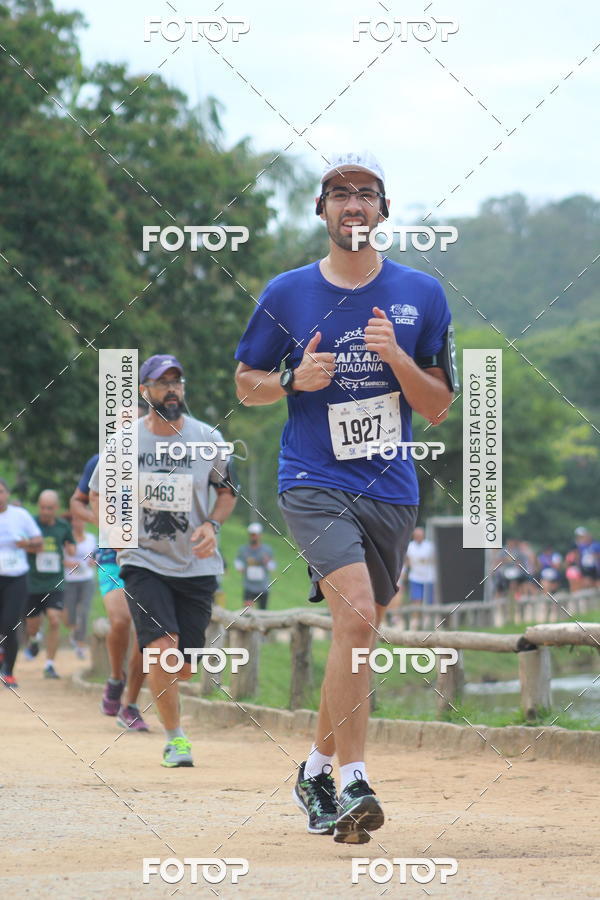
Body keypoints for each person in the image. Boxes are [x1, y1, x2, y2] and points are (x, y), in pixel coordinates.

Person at [235, 151, 456, 843]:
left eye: (366, 194)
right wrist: (293, 380)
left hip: (390, 487)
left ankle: (314, 766)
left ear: (383, 211)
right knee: (357, 613)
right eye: (339, 194)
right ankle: (354, 777)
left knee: (356, 632)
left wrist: (394, 357)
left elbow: (441, 405)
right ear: (322, 210)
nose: (353, 205)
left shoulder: (423, 293)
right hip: (311, 480)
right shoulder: (288, 292)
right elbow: (247, 383)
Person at [89, 354, 238, 767]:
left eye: (177, 381)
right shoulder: (123, 443)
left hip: (196, 565)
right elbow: (98, 493)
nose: (172, 389)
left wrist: (211, 524)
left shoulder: (208, 437)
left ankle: (163, 697)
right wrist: (115, 533)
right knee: (161, 649)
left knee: (184, 664)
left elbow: (227, 491)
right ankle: (176, 739)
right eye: (162, 382)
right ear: (145, 391)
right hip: (143, 560)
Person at [70, 398, 150, 730]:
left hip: (152, 556)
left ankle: (130, 704)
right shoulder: (99, 461)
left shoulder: (158, 460)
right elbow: (76, 502)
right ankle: (115, 678)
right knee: (120, 621)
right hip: (112, 556)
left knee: (150, 632)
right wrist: (102, 521)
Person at [24, 490, 75, 679]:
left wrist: (71, 547)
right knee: (32, 626)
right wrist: (34, 547)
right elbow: (19, 544)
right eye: (43, 507)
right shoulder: (31, 524)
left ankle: (50, 664)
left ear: (56, 508)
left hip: (55, 582)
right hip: (32, 582)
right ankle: (34, 639)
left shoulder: (62, 526)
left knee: (54, 619)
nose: (46, 511)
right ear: (39, 506)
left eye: (50, 508)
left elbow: (71, 543)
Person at [0, 479, 43, 688]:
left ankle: (9, 671)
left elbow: (39, 543)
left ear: (7, 493)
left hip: (16, 576)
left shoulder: (20, 515)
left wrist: (25, 543)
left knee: (9, 623)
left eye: (1, 492)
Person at [62, 514, 97, 658]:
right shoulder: (66, 539)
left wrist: (92, 562)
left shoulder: (91, 539)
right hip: (69, 579)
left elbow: (95, 557)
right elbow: (60, 558)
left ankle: (80, 642)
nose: (78, 523)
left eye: (81, 520)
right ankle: (73, 632)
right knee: (70, 612)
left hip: (87, 579)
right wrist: (70, 564)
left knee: (83, 610)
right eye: (75, 520)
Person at [234, 523, 276, 609]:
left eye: (255, 535)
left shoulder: (267, 550)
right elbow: (238, 562)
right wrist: (240, 568)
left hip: (263, 587)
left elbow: (273, 567)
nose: (253, 537)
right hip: (249, 586)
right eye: (251, 535)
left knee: (263, 613)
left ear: (260, 535)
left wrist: (267, 562)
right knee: (247, 612)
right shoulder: (243, 550)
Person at [404, 526, 436, 605]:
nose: (418, 537)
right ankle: (416, 617)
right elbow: (407, 561)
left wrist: (424, 561)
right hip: (415, 577)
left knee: (428, 601)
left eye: (420, 535)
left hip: (428, 578)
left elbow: (435, 560)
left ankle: (427, 617)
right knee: (416, 601)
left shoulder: (430, 546)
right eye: (416, 535)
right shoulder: (410, 546)